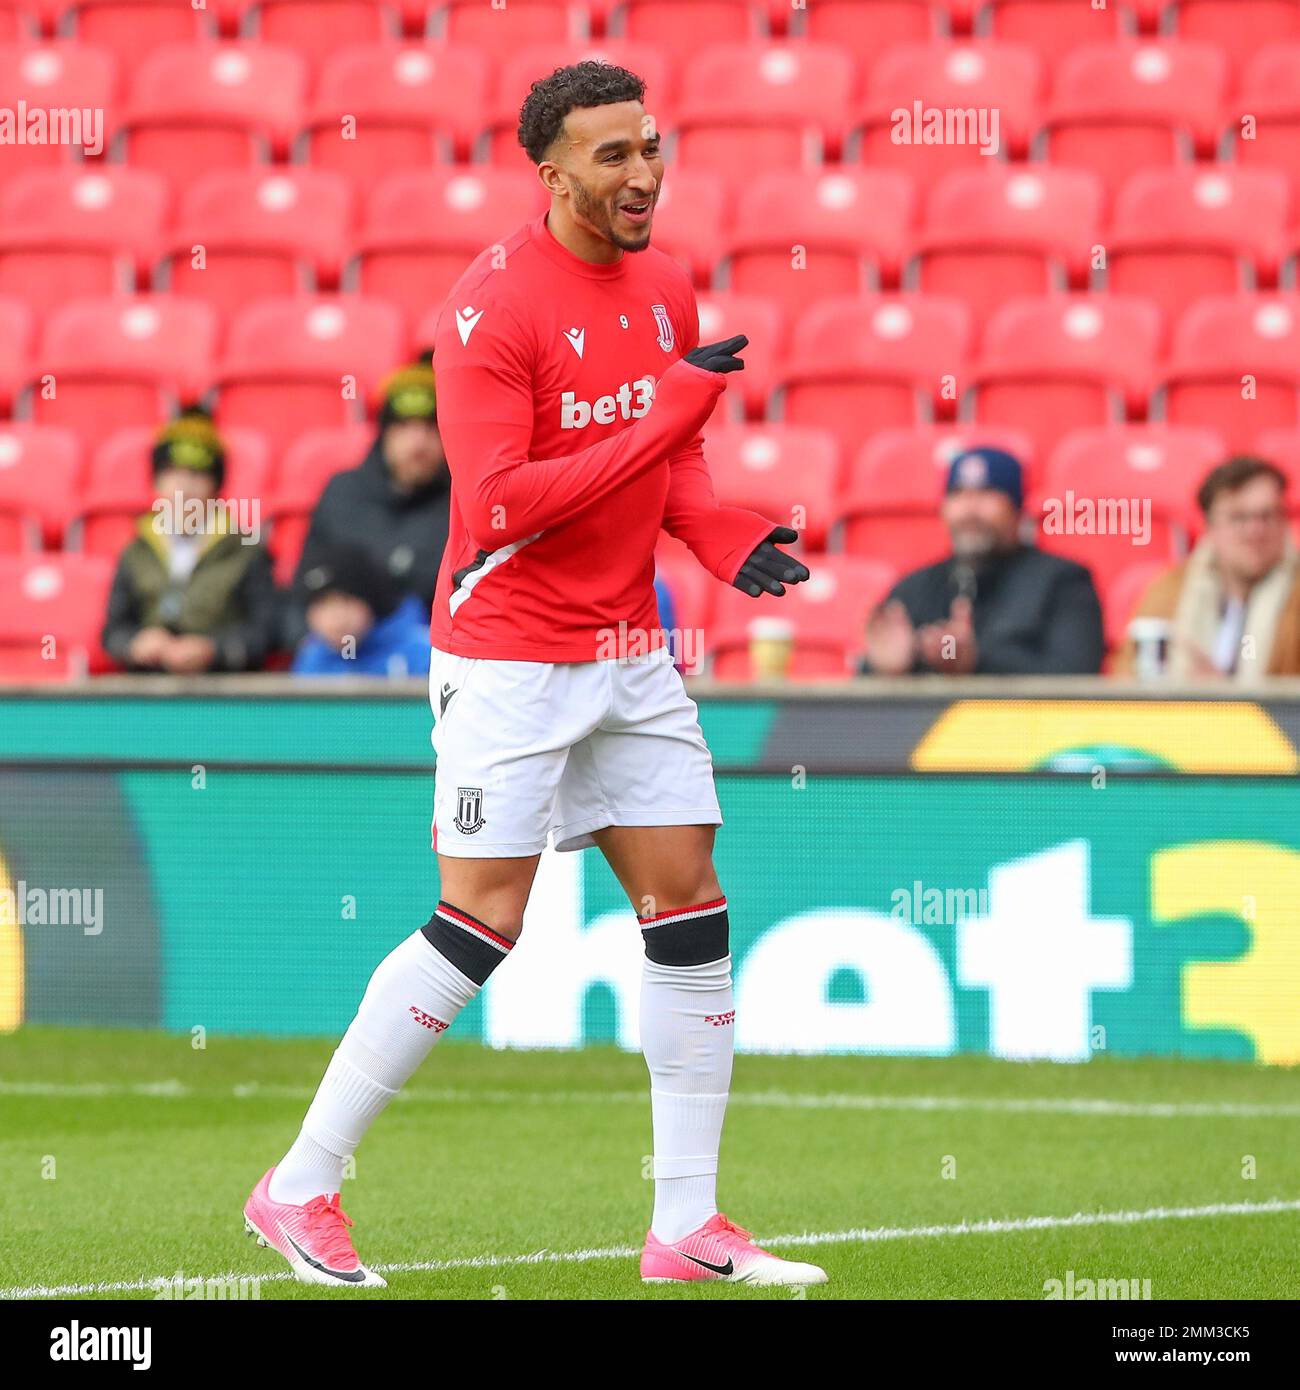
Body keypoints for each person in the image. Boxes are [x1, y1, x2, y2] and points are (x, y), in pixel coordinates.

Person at [244, 60, 824, 1290]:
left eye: (650, 147)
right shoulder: (489, 311)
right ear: (550, 171)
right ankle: (299, 1185)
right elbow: (500, 500)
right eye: (611, 156)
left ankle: (685, 1225)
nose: (642, 175)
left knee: (691, 905)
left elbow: (676, 475)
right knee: (481, 924)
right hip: (509, 655)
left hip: (627, 651)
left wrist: (722, 539)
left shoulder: (664, 285)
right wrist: (669, 409)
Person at [861, 447, 1104, 676]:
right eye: (958, 495)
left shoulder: (1063, 582)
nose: (970, 509)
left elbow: (1078, 679)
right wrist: (885, 670)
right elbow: (871, 678)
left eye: (986, 494)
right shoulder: (915, 587)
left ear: (1017, 508)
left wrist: (978, 661)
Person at [285, 356, 450, 647]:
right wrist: (323, 620)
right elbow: (304, 586)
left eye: (430, 428)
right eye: (403, 428)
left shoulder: (463, 500)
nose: (418, 443)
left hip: (432, 659)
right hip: (341, 657)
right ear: (383, 434)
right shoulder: (342, 494)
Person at [101, 412, 279, 674]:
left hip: (221, 690)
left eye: (197, 475)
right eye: (173, 473)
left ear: (216, 486)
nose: (183, 487)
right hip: (148, 687)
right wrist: (135, 643)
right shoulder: (136, 551)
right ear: (157, 482)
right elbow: (112, 631)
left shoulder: (247, 550)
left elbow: (267, 631)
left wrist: (213, 649)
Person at [1115, 456, 1300, 680]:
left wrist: (1225, 697)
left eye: (1266, 516)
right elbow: (1127, 676)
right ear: (1209, 526)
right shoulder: (1167, 593)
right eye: (1239, 518)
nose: (1255, 531)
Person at [291, 542, 432, 678]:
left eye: (346, 601)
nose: (336, 618)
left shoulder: (423, 653)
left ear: (370, 601)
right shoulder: (312, 659)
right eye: (321, 604)